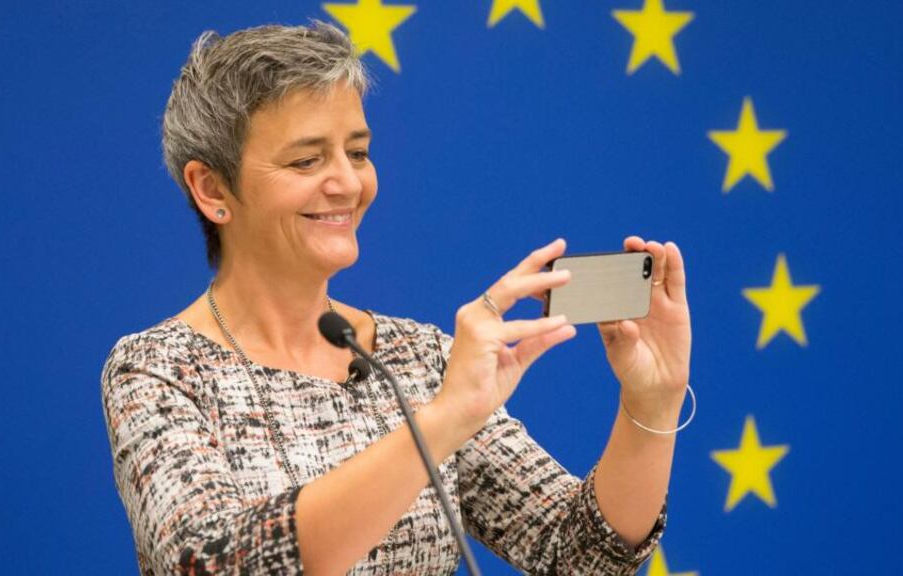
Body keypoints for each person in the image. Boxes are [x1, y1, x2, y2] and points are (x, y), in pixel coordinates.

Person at [101, 21, 692, 576]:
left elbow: (580, 555)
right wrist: (439, 423)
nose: (348, 183)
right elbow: (213, 562)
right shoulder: (158, 370)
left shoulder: (419, 357)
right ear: (212, 188)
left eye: (356, 152)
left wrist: (653, 401)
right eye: (307, 159)